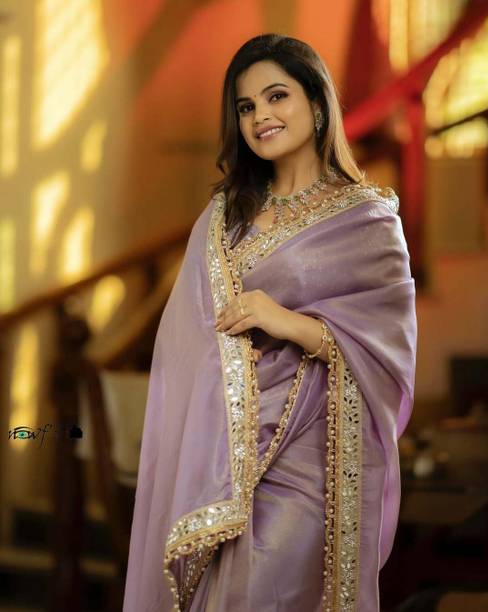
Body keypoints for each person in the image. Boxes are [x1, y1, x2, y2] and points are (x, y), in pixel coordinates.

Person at [122, 33, 417, 612]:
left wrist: (283, 320)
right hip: (222, 459)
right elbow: (185, 341)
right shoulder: (224, 217)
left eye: (276, 96)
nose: (261, 116)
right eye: (246, 106)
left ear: (316, 102)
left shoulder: (369, 220)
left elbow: (389, 354)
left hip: (309, 463)